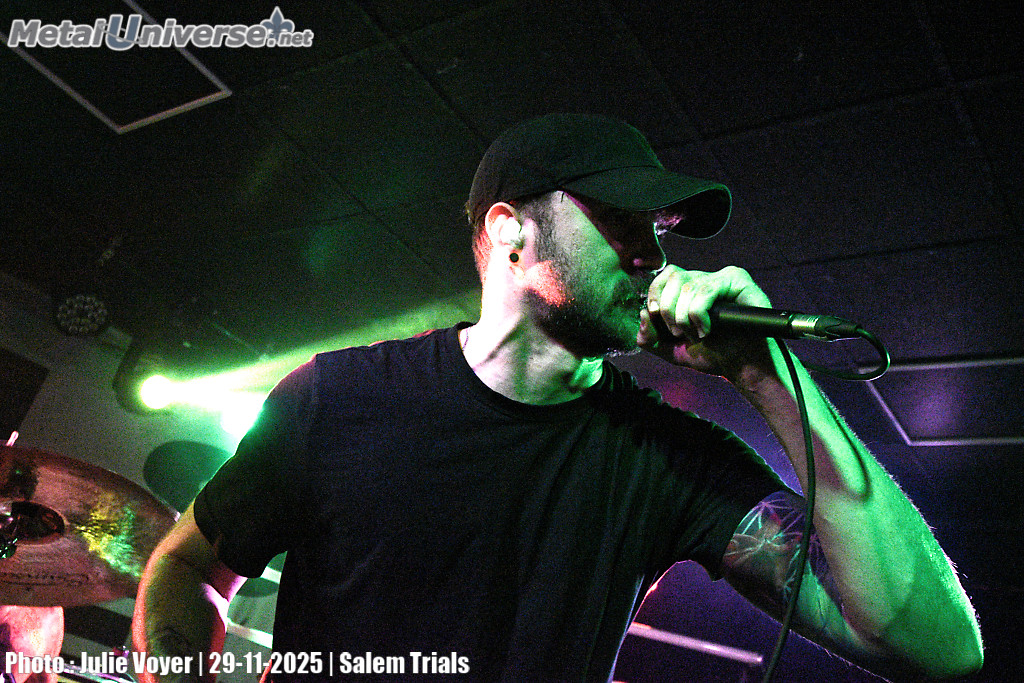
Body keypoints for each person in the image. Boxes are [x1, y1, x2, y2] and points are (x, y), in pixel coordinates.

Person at [132, 113, 983, 682]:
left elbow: (938, 649)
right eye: (622, 218)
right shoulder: (339, 397)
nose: (652, 253)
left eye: (660, 231)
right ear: (510, 229)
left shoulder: (670, 460)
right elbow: (186, 564)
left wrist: (766, 376)